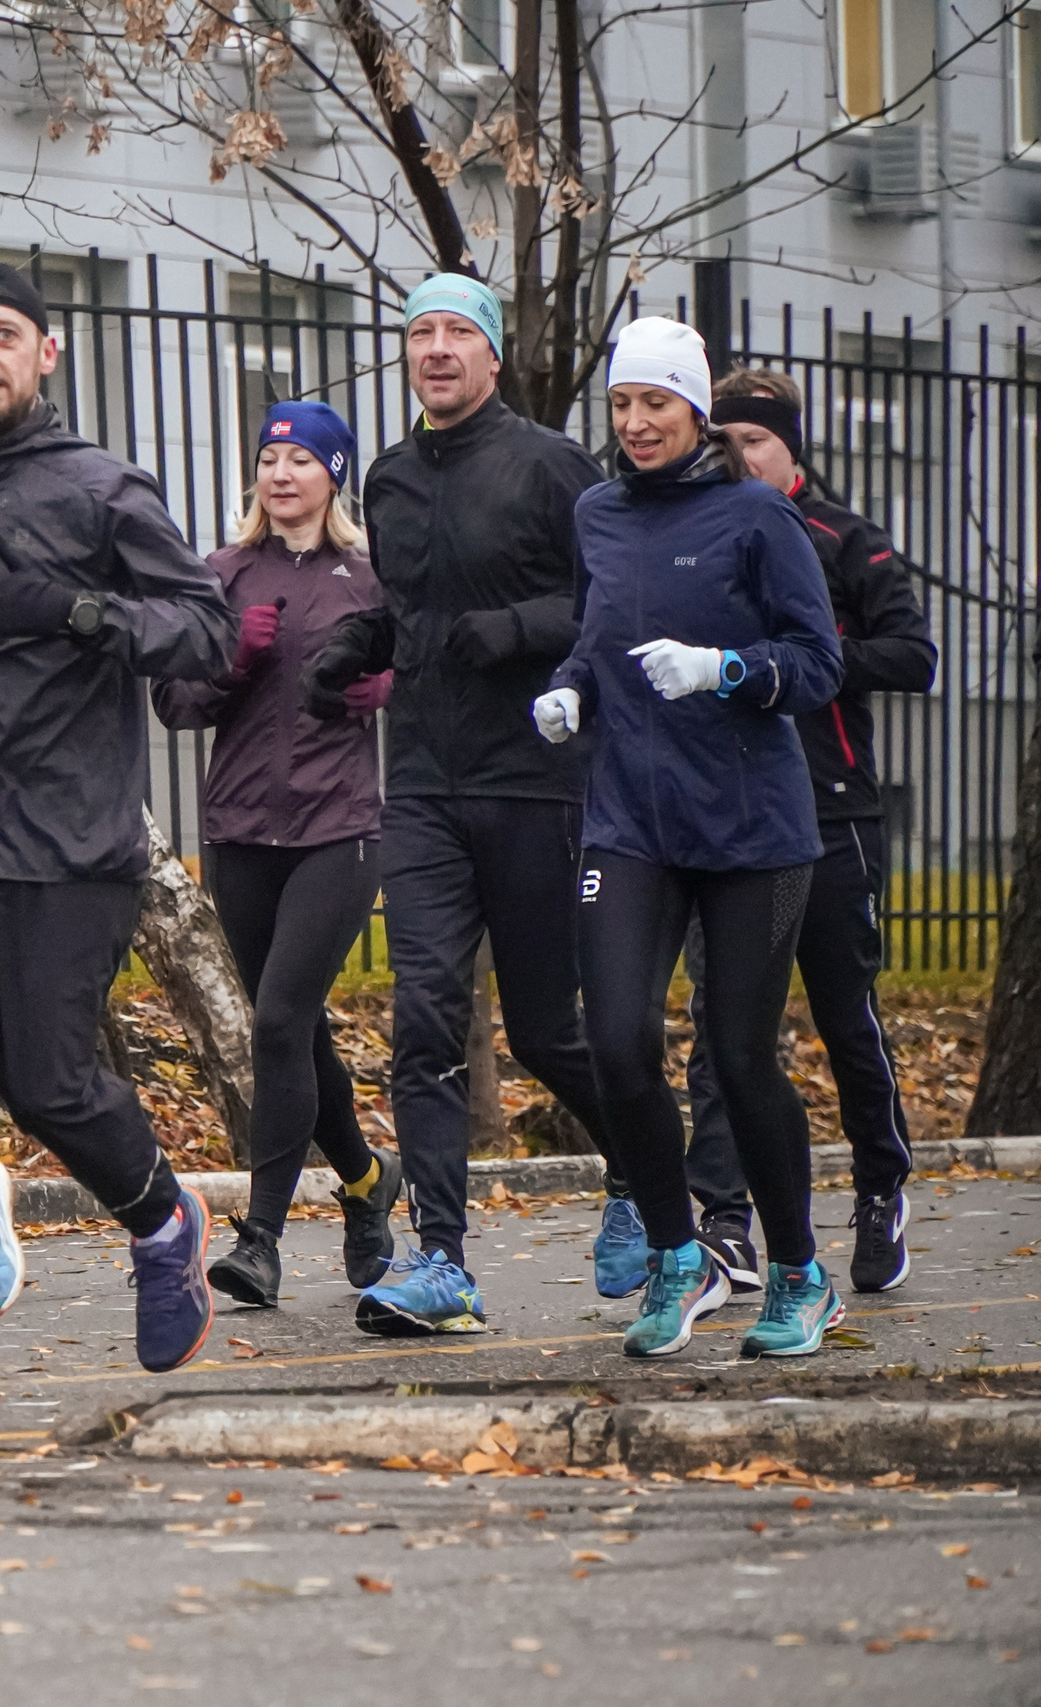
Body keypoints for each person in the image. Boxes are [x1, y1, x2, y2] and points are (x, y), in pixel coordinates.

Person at [0, 261, 236, 1413]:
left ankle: (164, 1218)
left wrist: (77, 613)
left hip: (66, 838)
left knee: (49, 1084)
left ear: (44, 354)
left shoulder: (102, 488)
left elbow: (204, 634)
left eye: (2, 335)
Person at [304, 273, 630, 1337]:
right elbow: (407, 612)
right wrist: (359, 645)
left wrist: (521, 628)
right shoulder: (392, 480)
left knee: (544, 1028)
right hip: (427, 789)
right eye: (419, 333)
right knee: (423, 1019)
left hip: (536, 782)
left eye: (457, 332)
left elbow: (606, 604)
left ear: (492, 356)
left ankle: (645, 1177)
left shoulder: (551, 466)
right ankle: (439, 1260)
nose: (435, 348)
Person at [532, 316, 845, 1359]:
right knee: (617, 1043)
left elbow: (815, 662)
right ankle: (676, 1254)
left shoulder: (756, 516)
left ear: (695, 410)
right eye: (621, 405)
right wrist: (570, 691)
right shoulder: (597, 513)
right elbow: (594, 635)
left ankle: (799, 1273)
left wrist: (727, 670)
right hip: (630, 819)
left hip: (753, 829)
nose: (634, 423)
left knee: (738, 1056)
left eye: (654, 403)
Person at [678, 368, 935, 1296]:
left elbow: (914, 653)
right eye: (725, 441)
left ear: (790, 447)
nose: (737, 457)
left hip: (829, 814)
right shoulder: (696, 532)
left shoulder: (843, 538)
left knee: (841, 1013)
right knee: (726, 1028)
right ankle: (726, 1220)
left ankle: (879, 1188)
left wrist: (804, 660)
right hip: (729, 817)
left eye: (754, 442)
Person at [152, 401, 403, 1308]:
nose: (282, 471)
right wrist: (231, 664)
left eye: (302, 458)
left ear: (334, 474)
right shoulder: (220, 572)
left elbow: (411, 673)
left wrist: (377, 684)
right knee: (290, 1024)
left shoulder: (369, 579)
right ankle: (369, 1182)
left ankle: (260, 1238)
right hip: (238, 830)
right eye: (269, 457)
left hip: (338, 828)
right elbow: (174, 704)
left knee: (276, 1021)